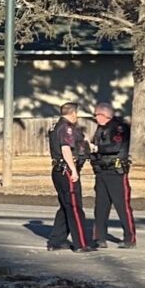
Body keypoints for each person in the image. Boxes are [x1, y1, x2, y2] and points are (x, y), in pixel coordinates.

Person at [46, 101, 92, 252]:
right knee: (74, 207)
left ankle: (56, 241)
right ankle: (81, 243)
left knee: (65, 206)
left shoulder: (56, 126)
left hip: (58, 170)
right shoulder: (66, 128)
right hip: (66, 170)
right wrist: (74, 171)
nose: (77, 116)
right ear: (72, 113)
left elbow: (79, 145)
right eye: (76, 113)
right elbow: (65, 149)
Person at [89, 101, 136, 249]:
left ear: (104, 115)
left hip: (115, 172)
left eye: (96, 115)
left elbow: (115, 146)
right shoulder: (100, 129)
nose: (95, 118)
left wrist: (97, 148)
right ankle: (99, 237)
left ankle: (130, 238)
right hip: (101, 172)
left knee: (122, 206)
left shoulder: (119, 128)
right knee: (100, 207)